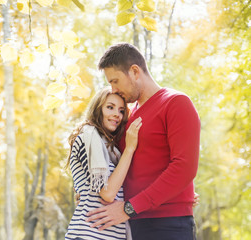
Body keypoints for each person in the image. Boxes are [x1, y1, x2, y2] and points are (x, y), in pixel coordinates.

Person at [86, 43, 201, 240]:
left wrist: (129, 208)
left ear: (134, 71)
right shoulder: (128, 117)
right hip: (132, 225)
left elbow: (184, 168)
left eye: (115, 81)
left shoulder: (176, 103)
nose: (113, 89)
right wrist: (87, 191)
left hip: (168, 224)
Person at [65, 87, 143, 240]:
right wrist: (130, 148)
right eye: (110, 107)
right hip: (88, 234)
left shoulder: (111, 149)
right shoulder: (87, 138)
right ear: (97, 109)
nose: (117, 114)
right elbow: (107, 193)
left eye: (121, 111)